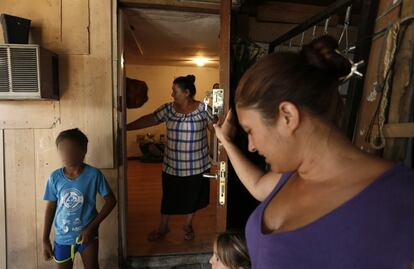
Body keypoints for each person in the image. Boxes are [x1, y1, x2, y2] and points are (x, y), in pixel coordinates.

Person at [214, 35, 414, 268]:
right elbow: (257, 185)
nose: (251, 146)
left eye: (250, 130)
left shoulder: (398, 198)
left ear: (287, 116)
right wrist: (226, 142)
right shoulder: (291, 176)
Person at [127, 74, 217, 241]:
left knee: (192, 198)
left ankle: (188, 224)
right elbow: (150, 119)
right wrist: (125, 127)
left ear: (187, 92)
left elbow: (216, 131)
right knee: (169, 197)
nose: (172, 95)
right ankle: (163, 228)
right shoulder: (168, 109)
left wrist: (216, 154)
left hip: (197, 165)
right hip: (172, 165)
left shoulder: (204, 109)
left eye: (175, 91)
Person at [42, 128, 117, 269]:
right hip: (62, 238)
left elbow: (111, 201)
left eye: (71, 149)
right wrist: (45, 239)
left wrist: (91, 228)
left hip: (88, 236)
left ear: (83, 151)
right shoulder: (54, 177)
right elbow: (51, 207)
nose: (66, 153)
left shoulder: (94, 175)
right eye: (62, 149)